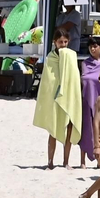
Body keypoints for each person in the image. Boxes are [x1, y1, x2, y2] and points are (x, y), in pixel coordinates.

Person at [34, 29, 82, 169]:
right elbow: (49, 80)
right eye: (60, 42)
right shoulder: (51, 58)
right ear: (55, 42)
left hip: (69, 96)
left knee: (69, 127)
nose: (63, 44)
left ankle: (66, 161)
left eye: (65, 42)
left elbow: (73, 77)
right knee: (53, 129)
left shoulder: (71, 56)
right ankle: (50, 161)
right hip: (55, 97)